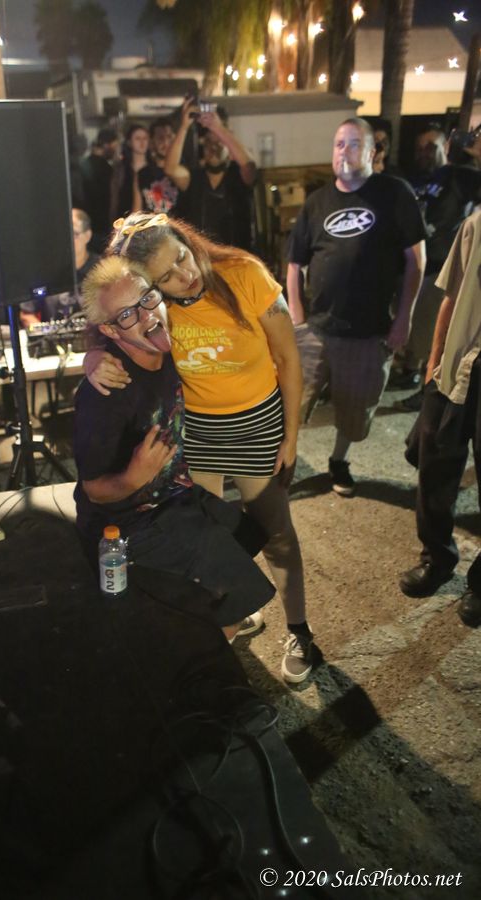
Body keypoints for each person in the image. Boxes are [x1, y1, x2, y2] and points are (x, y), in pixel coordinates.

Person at [85, 212, 315, 683]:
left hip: (257, 426)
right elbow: (110, 322)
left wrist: (291, 436)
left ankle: (300, 631)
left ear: (189, 242)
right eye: (166, 276)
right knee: (210, 539)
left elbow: (289, 357)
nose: (185, 274)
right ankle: (235, 609)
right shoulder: (154, 309)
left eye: (183, 257)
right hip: (197, 433)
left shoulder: (244, 274)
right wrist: (91, 356)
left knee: (276, 534)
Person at [74, 255, 276, 643]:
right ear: (111, 330)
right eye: (127, 314)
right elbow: (94, 489)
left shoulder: (166, 349)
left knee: (246, 536)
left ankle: (201, 616)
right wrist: (134, 476)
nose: (146, 314)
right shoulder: (106, 393)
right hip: (130, 525)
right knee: (238, 591)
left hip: (174, 497)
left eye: (147, 298)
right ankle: (208, 662)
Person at [286, 117, 427, 496]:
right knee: (292, 403)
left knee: (354, 411)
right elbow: (294, 264)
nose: (343, 152)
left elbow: (416, 260)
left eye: (353, 144)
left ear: (371, 151)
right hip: (316, 329)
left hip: (368, 332)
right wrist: (297, 319)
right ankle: (282, 465)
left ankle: (339, 460)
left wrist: (404, 318)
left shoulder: (393, 193)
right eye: (338, 144)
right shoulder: (317, 202)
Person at [399, 208, 481, 628]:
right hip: (458, 365)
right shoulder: (476, 223)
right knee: (433, 465)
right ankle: (437, 557)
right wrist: (433, 365)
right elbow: (452, 295)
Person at [394, 124, 481, 411]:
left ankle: (428, 389)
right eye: (420, 148)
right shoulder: (424, 178)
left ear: (446, 147)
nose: (425, 153)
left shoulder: (464, 176)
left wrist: (473, 152)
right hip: (422, 263)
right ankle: (413, 373)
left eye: (432, 147)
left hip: (445, 265)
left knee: (436, 332)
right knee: (421, 330)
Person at [163, 98, 256, 250]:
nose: (213, 148)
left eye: (218, 142)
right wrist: (184, 127)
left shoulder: (237, 175)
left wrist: (218, 128)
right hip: (203, 257)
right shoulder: (194, 178)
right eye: (208, 143)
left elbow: (249, 165)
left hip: (236, 257)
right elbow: (170, 169)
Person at [19, 209, 98, 327]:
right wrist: (46, 333)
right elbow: (27, 314)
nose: (67, 240)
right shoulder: (44, 270)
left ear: (87, 236)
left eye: (74, 234)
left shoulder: (102, 268)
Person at [79, 128, 120, 253]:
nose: (115, 150)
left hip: (86, 223)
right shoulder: (107, 169)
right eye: (115, 146)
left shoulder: (83, 164)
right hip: (102, 226)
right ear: (107, 145)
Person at [136, 117, 180, 214]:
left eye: (169, 137)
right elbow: (136, 210)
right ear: (152, 142)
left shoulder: (182, 172)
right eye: (160, 138)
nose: (165, 142)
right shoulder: (143, 174)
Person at [110, 124, 150, 222]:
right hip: (125, 220)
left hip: (148, 220)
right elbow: (115, 198)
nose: (142, 142)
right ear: (129, 142)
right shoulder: (122, 169)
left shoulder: (153, 169)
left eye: (145, 138)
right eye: (137, 138)